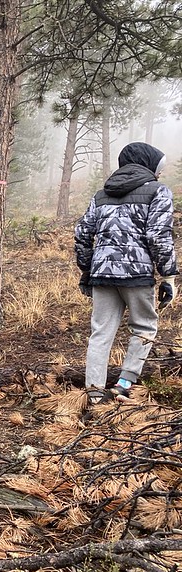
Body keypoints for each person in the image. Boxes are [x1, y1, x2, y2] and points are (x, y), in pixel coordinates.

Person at [74, 142, 177, 403]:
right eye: (159, 166)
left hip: (102, 274)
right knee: (144, 327)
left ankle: (94, 393)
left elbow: (82, 234)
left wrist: (87, 269)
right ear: (149, 165)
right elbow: (158, 236)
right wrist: (168, 277)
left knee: (100, 332)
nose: (161, 172)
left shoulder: (100, 195)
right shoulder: (158, 192)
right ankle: (123, 385)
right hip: (137, 276)